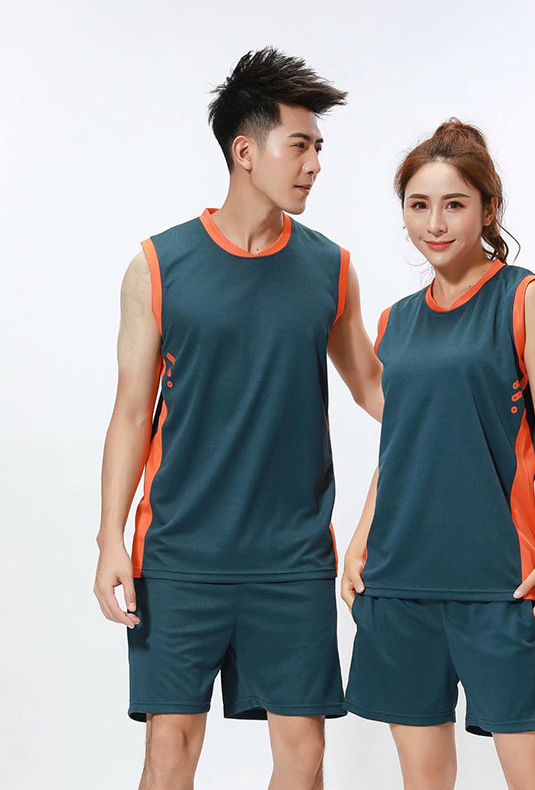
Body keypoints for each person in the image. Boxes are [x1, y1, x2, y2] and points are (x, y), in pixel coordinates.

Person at [93, 47, 383, 789]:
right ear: (245, 151)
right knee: (169, 753)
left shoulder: (331, 268)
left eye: (319, 148)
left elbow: (374, 389)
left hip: (292, 556)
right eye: (300, 145)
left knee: (303, 757)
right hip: (179, 552)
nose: (314, 164)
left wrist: (467, 404)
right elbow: (130, 416)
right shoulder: (158, 266)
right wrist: (109, 540)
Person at [341, 119, 535, 789]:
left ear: (487, 209)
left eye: (454, 204)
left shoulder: (523, 298)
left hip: (497, 580)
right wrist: (359, 538)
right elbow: (404, 441)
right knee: (424, 781)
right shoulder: (395, 321)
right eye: (419, 205)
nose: (435, 223)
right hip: (399, 578)